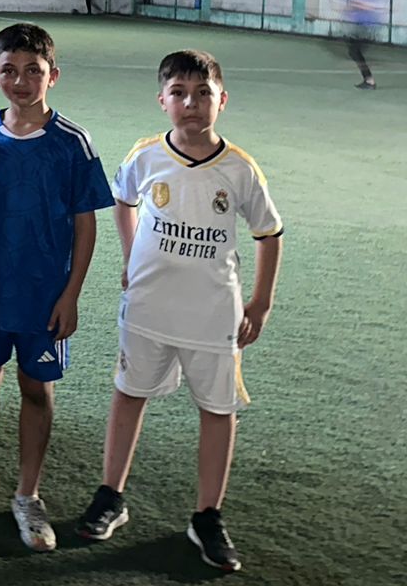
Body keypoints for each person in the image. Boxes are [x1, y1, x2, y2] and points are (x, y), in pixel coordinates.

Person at [77, 50, 283, 573]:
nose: (191, 103)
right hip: (148, 307)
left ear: (222, 100)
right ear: (162, 100)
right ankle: (110, 495)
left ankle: (207, 515)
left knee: (217, 409)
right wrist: (131, 256)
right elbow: (123, 201)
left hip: (213, 315)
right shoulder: (147, 156)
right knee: (130, 393)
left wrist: (260, 303)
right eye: (179, 93)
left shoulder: (239, 168)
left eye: (202, 93)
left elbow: (269, 234)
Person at [0, 23, 112, 551]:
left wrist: (71, 294)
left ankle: (28, 493)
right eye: (10, 70)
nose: (21, 81)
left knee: (36, 390)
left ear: (53, 75)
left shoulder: (72, 143)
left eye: (33, 71)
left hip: (44, 297)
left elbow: (86, 223)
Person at [342, 0, 384, 88]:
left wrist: (356, 5)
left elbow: (367, 7)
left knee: (354, 51)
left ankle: (369, 80)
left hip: (367, 30)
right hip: (362, 30)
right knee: (353, 51)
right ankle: (368, 79)